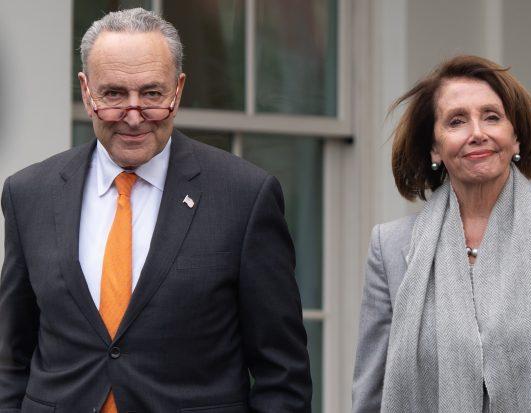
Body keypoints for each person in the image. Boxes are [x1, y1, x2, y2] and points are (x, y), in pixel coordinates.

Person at [0, 8, 311, 412]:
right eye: (113, 94)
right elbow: (11, 358)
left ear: (177, 90)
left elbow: (282, 374)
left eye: (151, 94)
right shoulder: (29, 194)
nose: (133, 116)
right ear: (86, 91)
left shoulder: (245, 197)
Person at [352, 55, 531, 412]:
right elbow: (370, 395)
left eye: (492, 117)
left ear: (516, 138)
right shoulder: (389, 248)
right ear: (435, 148)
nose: (477, 133)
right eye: (456, 121)